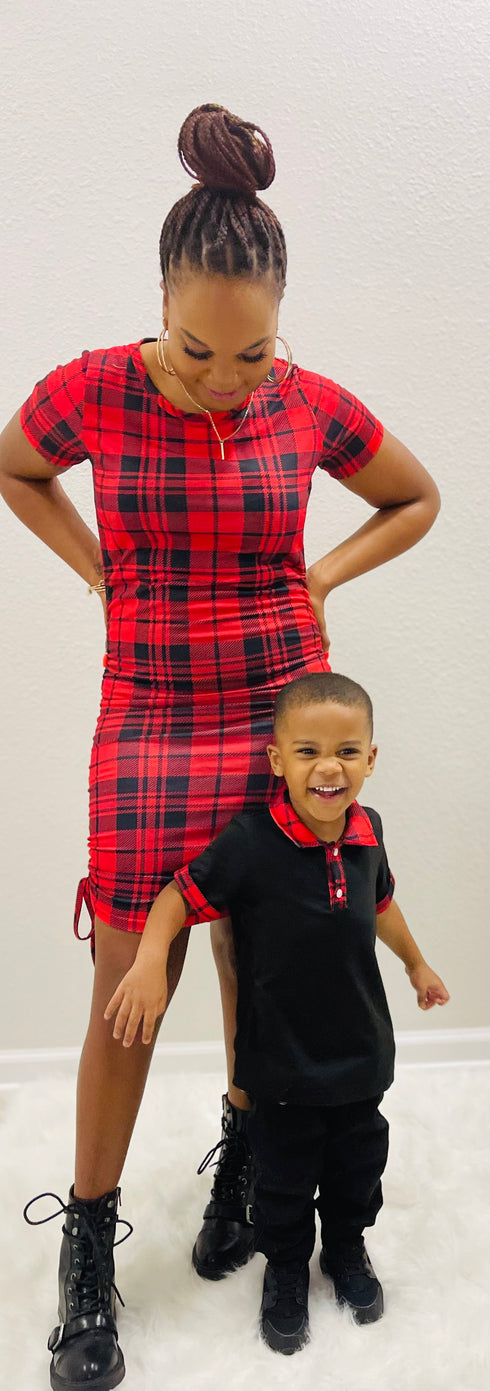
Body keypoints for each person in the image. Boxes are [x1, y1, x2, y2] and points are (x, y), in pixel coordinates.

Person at [0, 101, 441, 1388]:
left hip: (268, 703)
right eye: (198, 349)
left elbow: (414, 496)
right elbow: (17, 469)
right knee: (131, 982)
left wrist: (321, 575)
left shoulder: (305, 405)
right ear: (161, 301)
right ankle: (88, 1249)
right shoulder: (91, 387)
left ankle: (252, 1150)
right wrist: (97, 569)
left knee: (275, 944)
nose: (224, 380)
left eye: (251, 358)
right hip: (146, 708)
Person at [106, 671, 450, 1355]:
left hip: (360, 1056)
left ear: (372, 758)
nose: (329, 766)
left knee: (357, 1169)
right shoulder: (250, 841)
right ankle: (287, 1266)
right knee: (285, 1181)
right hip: (280, 1064)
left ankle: (345, 1250)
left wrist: (415, 961)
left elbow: (380, 902)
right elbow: (178, 895)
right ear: (277, 759)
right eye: (308, 750)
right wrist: (149, 959)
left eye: (348, 751)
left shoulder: (368, 830)